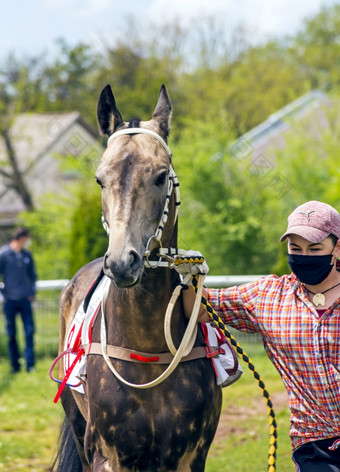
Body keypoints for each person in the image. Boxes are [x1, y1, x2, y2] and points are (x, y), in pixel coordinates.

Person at [177, 200, 340, 472]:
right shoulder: (266, 297)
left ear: (337, 248)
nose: (304, 256)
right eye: (295, 248)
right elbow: (201, 309)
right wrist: (188, 277)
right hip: (314, 443)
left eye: (315, 249)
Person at [0, 228, 37, 373]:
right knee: (11, 334)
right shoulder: (4, 255)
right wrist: (2, 295)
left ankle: (30, 364)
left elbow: (33, 276)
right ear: (21, 238)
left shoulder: (27, 255)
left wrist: (31, 292)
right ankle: (15, 365)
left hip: (25, 300)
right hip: (9, 301)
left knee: (29, 332)